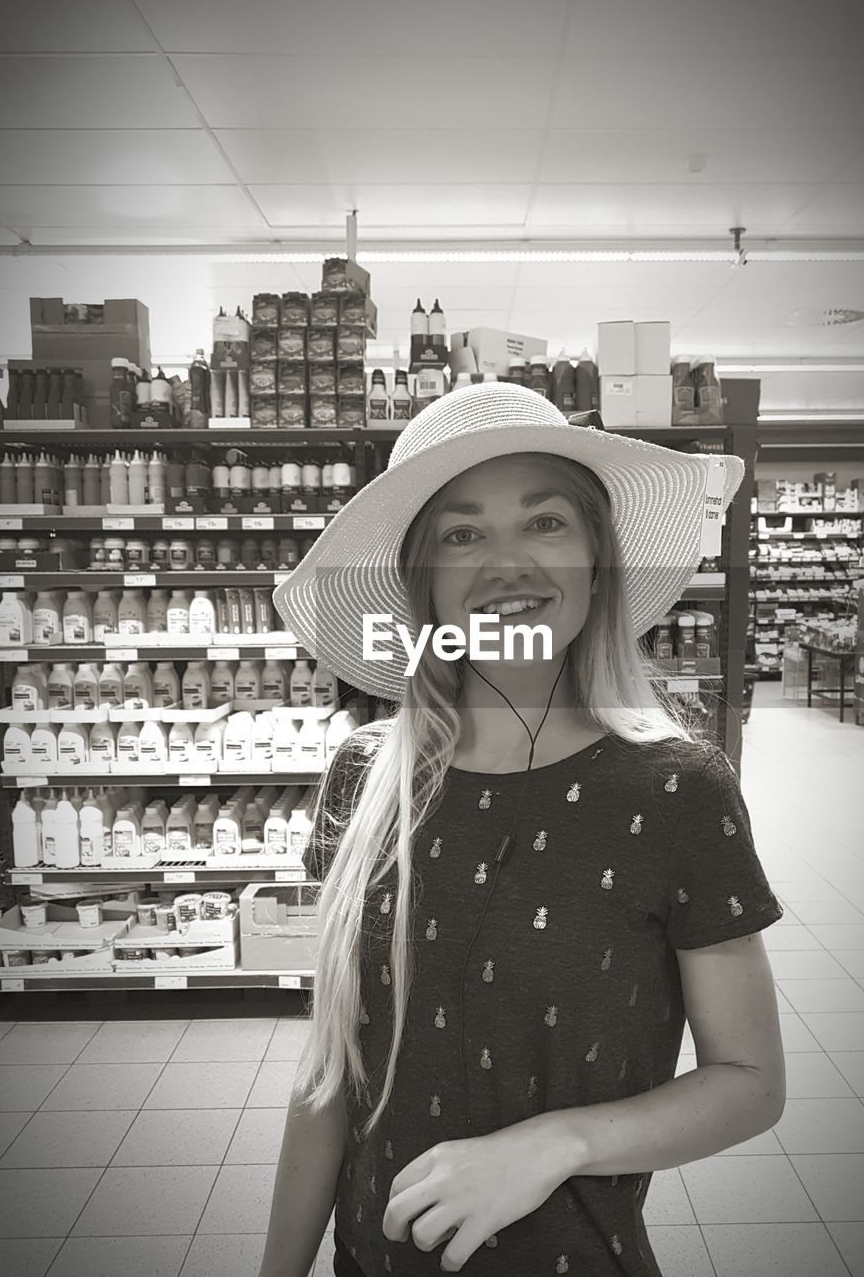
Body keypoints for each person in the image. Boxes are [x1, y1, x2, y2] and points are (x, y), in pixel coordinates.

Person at [260, 382, 785, 1277]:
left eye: (547, 523)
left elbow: (751, 1083)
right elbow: (331, 1076)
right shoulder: (365, 777)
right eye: (463, 534)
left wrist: (559, 1143)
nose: (509, 565)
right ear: (420, 582)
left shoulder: (675, 792)